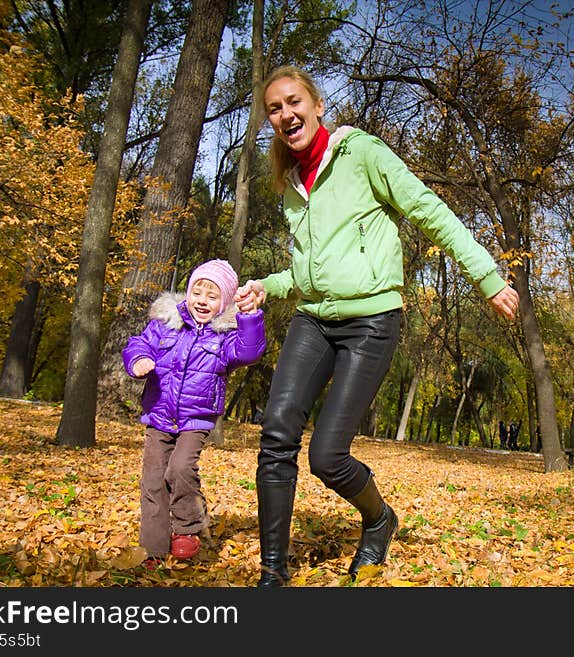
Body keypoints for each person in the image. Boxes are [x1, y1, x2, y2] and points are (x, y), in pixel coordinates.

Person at [234, 65, 519, 588]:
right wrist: (266, 286)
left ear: (317, 105)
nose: (285, 114)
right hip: (313, 319)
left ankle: (379, 518)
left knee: (327, 456)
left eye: (293, 102)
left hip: (371, 319)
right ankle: (271, 575)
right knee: (276, 436)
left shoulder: (361, 153)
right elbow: (307, 268)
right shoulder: (291, 182)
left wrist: (487, 277)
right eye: (274, 108)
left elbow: (429, 210)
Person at [122, 259, 266, 568]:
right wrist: (139, 361)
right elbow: (139, 344)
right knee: (153, 480)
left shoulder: (224, 336)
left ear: (223, 303)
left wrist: (251, 315)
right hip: (159, 411)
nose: (202, 301)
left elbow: (249, 351)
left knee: (181, 469)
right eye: (197, 292)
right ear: (188, 294)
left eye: (212, 296)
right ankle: (154, 548)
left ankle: (187, 528)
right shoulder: (166, 322)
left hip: (196, 417)